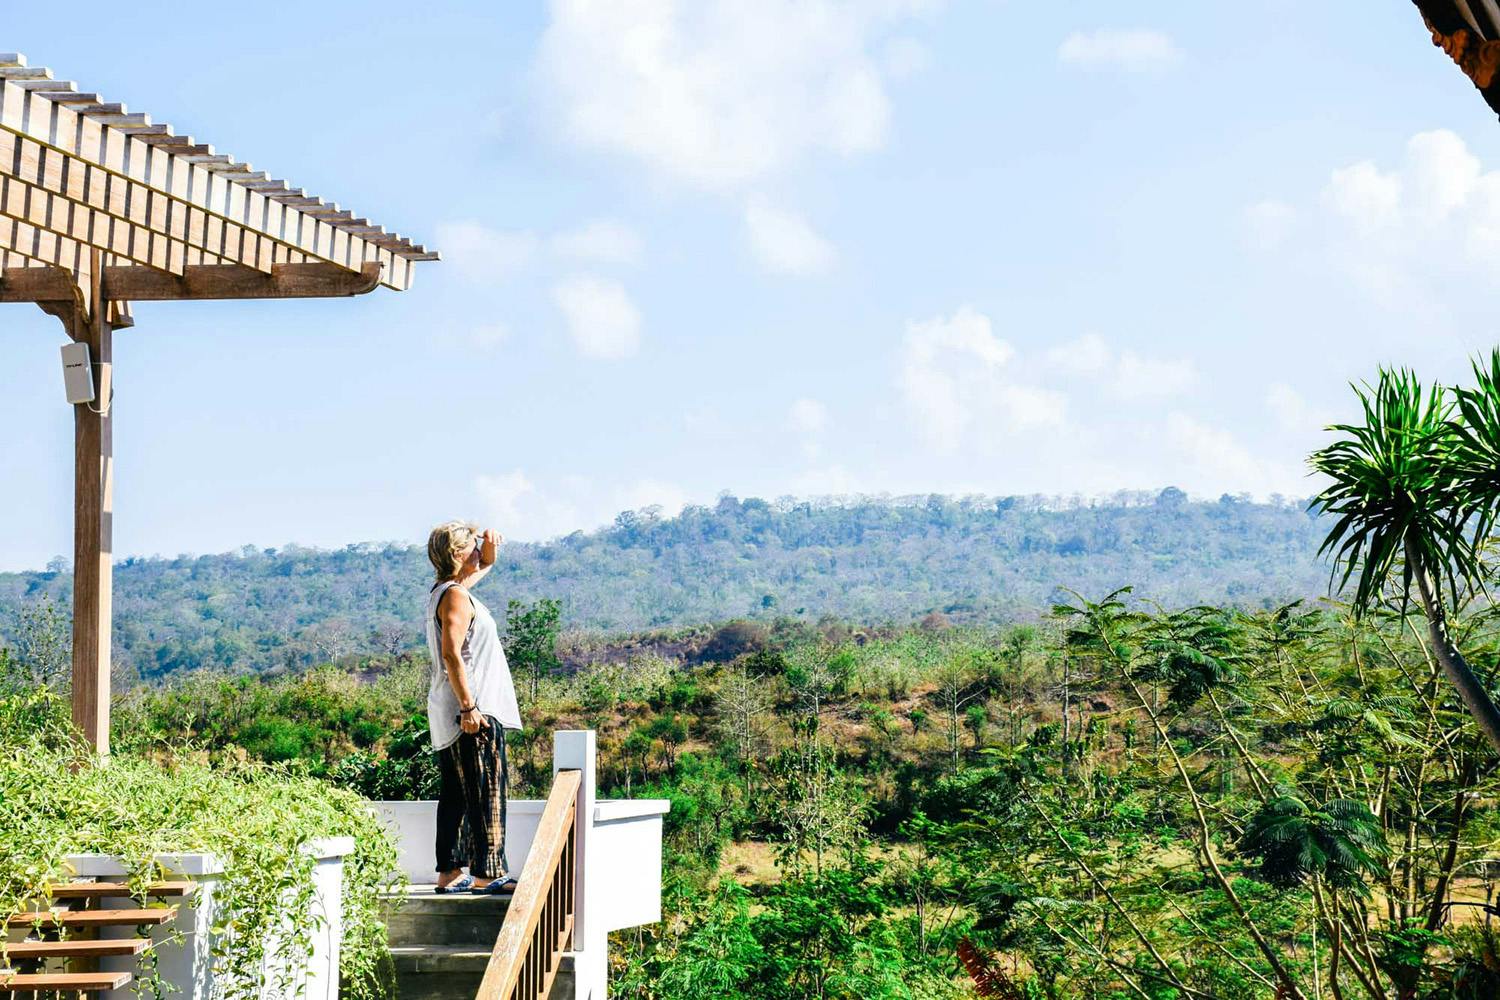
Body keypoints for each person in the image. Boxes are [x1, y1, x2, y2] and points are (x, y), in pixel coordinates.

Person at [424, 520, 523, 894]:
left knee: (457, 792)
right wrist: (469, 708)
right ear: (458, 554)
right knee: (488, 789)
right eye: (473, 546)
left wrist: (486, 542)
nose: (480, 551)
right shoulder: (455, 597)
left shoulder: (446, 591)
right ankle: (488, 873)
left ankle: (449, 871)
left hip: (450, 708)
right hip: (472, 709)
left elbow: (485, 565)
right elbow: (452, 653)